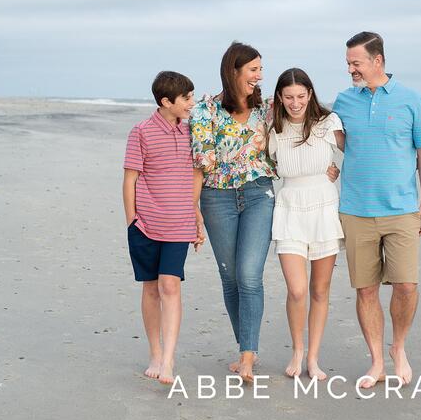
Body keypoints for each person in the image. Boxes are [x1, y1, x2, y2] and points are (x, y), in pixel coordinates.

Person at [332, 32, 421, 388]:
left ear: (377, 61)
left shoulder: (411, 100)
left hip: (402, 209)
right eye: (348, 63)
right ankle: (376, 360)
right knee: (365, 290)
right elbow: (330, 139)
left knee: (406, 285)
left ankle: (399, 348)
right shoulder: (343, 101)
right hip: (356, 210)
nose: (350, 69)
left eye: (355, 63)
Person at [189, 42, 276, 383]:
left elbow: (305, 127)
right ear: (234, 71)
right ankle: (245, 345)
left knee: (250, 274)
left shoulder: (268, 109)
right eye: (253, 69)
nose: (260, 76)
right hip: (216, 198)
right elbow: (200, 165)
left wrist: (328, 164)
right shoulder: (205, 111)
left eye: (260, 69)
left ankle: (248, 357)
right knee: (231, 277)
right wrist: (193, 210)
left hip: (259, 194)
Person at [122, 70, 205, 386]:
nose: (191, 103)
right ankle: (155, 352)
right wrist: (132, 222)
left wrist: (196, 219)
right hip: (145, 224)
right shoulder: (141, 132)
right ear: (166, 101)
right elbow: (130, 179)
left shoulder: (192, 132)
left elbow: (197, 176)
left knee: (170, 286)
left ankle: (168, 359)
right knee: (151, 287)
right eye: (186, 98)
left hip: (179, 224)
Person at [268, 68, 345, 381]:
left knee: (319, 290)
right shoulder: (274, 126)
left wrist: (336, 170)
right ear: (280, 98)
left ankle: (313, 358)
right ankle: (297, 349)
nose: (295, 103)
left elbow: (358, 152)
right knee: (297, 290)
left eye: (301, 96)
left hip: (324, 207)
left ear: (310, 94)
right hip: (289, 208)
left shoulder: (329, 123)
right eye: (289, 97)